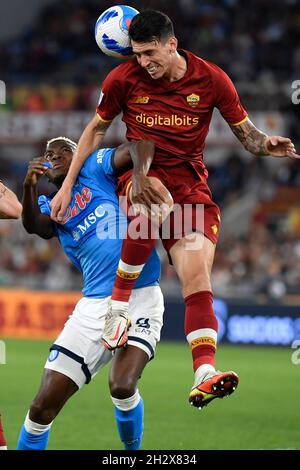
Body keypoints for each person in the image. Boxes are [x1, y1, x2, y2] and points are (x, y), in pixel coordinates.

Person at [49, 10, 299, 410]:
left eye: (150, 53)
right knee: (155, 193)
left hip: (192, 190)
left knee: (197, 278)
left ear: (171, 44)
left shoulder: (212, 79)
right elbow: (95, 131)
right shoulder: (122, 80)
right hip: (142, 177)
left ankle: (204, 371)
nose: (143, 62)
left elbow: (247, 136)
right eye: (136, 54)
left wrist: (266, 145)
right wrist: (66, 185)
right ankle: (117, 307)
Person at [17, 136, 167, 450]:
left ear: (79, 155)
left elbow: (142, 145)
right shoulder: (52, 206)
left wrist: (140, 177)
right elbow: (34, 225)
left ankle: (132, 453)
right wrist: (29, 186)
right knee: (41, 407)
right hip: (94, 305)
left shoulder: (94, 167)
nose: (54, 156)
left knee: (122, 386)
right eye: (48, 154)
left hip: (139, 293)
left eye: (63, 151)